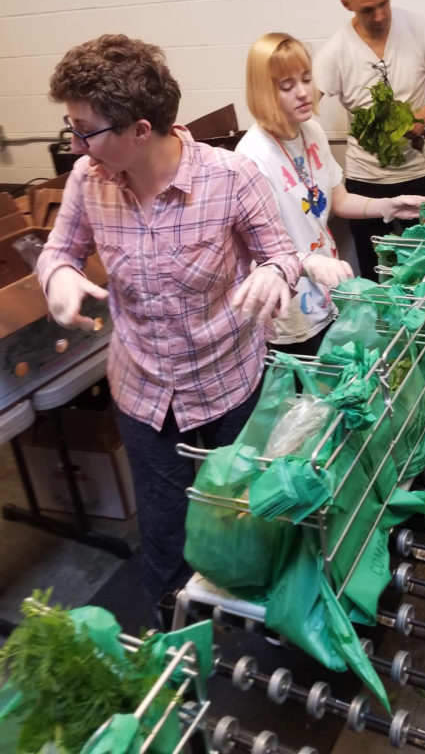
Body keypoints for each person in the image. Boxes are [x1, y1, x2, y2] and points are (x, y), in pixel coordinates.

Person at [35, 33, 348, 623]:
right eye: (71, 127)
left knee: (243, 512)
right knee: (163, 529)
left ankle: (252, 635)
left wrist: (274, 277)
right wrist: (58, 280)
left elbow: (280, 254)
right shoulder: (86, 180)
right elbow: (59, 252)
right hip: (144, 389)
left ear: (140, 130)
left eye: (86, 129)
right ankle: (177, 646)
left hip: (229, 383)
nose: (76, 144)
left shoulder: (230, 178)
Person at [236, 32, 425, 354]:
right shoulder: (252, 156)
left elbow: (338, 200)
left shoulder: (311, 132)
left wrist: (387, 206)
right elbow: (262, 247)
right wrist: (311, 263)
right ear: (263, 92)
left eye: (307, 79)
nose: (303, 93)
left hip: (327, 290)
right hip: (290, 306)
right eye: (287, 86)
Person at [312, 0, 425, 279]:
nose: (380, 15)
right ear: (346, 4)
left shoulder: (418, 28)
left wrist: (423, 116)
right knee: (376, 276)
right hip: (365, 186)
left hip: (420, 174)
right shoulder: (335, 51)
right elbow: (303, 110)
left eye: (383, 3)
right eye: (367, 10)